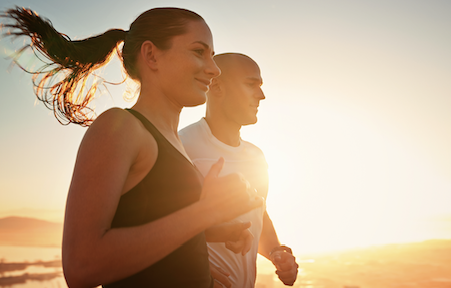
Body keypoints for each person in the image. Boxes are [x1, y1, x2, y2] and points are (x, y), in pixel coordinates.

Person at [2, 7, 263, 288]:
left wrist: (213, 231)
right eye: (199, 52)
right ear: (151, 55)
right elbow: (81, 265)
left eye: (212, 55)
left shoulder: (173, 141)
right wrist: (205, 212)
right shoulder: (120, 127)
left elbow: (146, 221)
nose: (214, 69)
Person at [179, 53, 299, 288]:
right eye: (251, 84)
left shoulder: (256, 157)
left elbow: (258, 215)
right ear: (217, 86)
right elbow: (160, 228)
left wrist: (276, 251)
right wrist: (194, 268)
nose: (261, 95)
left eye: (260, 86)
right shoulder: (181, 146)